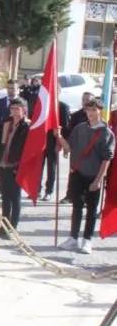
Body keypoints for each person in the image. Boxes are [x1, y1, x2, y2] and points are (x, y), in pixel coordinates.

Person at [54, 98, 116, 254]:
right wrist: (59, 136)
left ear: (99, 111)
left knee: (92, 210)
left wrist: (98, 180)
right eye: (88, 110)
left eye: (94, 110)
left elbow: (106, 159)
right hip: (77, 173)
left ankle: (87, 240)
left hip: (93, 175)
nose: (90, 113)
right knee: (77, 207)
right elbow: (69, 147)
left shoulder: (107, 133)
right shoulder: (79, 128)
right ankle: (73, 238)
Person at [0, 97, 30, 237]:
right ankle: (4, 225)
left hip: (17, 165)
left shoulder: (27, 126)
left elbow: (27, 148)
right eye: (12, 108)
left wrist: (20, 164)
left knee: (15, 197)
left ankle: (13, 226)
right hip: (4, 163)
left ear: (24, 110)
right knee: (5, 196)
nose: (14, 111)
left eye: (17, 109)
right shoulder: (7, 124)